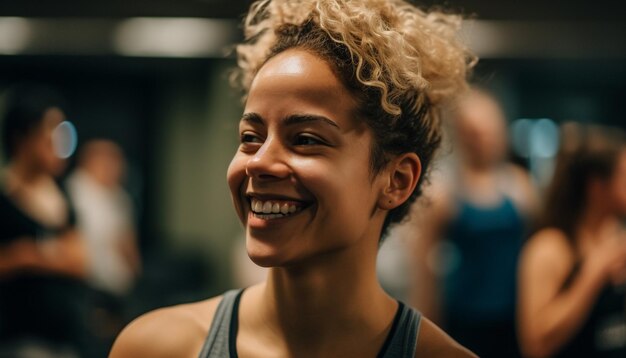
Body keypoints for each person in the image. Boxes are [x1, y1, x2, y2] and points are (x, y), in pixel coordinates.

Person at [110, 0, 476, 356]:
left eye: (305, 140)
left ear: (396, 180)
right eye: (250, 138)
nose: (258, 163)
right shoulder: (155, 347)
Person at [409, 88, 537, 357]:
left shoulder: (520, 185)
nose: (483, 139)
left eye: (488, 130)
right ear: (463, 135)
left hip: (515, 315)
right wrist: (425, 328)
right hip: (465, 317)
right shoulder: (445, 193)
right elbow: (424, 267)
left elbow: (539, 250)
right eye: (474, 132)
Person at [517, 123, 626, 358]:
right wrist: (594, 274)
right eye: (623, 175)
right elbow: (535, 344)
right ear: (597, 186)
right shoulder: (549, 247)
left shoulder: (615, 234)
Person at [0, 84, 89, 357]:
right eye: (49, 134)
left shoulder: (60, 193)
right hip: (19, 336)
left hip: (67, 334)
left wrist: (31, 256)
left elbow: (80, 260)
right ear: (22, 138)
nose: (58, 146)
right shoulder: (5, 195)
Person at [66, 139, 141, 352]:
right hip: (87, 286)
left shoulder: (120, 198)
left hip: (117, 287)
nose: (117, 168)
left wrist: (134, 274)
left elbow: (127, 243)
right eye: (111, 161)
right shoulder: (74, 191)